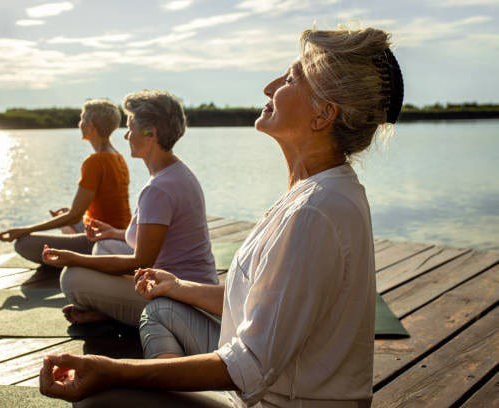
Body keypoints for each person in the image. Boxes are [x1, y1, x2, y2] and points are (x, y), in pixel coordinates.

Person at [38, 27, 404, 407]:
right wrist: (177, 286)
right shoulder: (316, 192)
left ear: (324, 114)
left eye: (292, 78)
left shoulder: (315, 212)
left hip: (274, 401)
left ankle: (167, 384)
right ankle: (171, 379)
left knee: (98, 402)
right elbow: (257, 301)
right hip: (266, 387)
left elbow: (249, 367)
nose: (269, 87)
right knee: (161, 308)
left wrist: (111, 370)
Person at [41, 90, 218, 327]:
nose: (126, 136)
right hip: (173, 281)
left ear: (150, 134)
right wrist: (113, 232)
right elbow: (156, 240)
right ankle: (109, 310)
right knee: (105, 245)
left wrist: (74, 258)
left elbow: (139, 261)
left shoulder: (160, 189)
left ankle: (114, 311)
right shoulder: (175, 174)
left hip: (180, 300)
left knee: (71, 277)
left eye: (130, 127)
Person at [0, 99, 131, 264]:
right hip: (120, 233)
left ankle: (80, 260)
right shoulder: (117, 157)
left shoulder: (95, 162)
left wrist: (25, 230)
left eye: (82, 119)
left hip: (102, 240)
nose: (79, 124)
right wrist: (71, 214)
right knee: (64, 218)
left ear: (90, 126)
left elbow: (73, 217)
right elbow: (86, 211)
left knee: (23, 243)